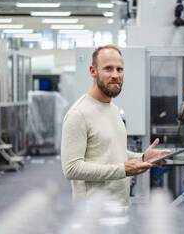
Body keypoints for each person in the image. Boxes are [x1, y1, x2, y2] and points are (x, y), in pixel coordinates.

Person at [61, 44, 170, 204]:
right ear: (93, 71)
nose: (115, 75)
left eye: (119, 69)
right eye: (108, 69)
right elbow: (71, 168)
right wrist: (122, 170)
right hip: (92, 212)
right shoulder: (79, 114)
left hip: (120, 205)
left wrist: (142, 157)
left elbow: (111, 152)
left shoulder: (113, 109)